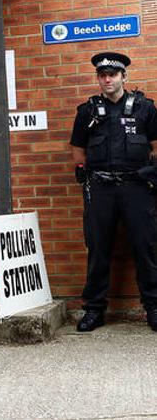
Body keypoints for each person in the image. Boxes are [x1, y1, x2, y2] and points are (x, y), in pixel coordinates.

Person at [70, 52, 157, 333]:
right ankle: (94, 310)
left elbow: (155, 144)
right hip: (101, 188)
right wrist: (82, 168)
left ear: (124, 77)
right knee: (98, 249)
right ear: (98, 78)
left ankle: (153, 307)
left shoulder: (145, 108)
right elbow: (77, 146)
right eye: (102, 75)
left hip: (137, 187)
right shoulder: (88, 111)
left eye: (112, 74)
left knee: (146, 247)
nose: (107, 79)